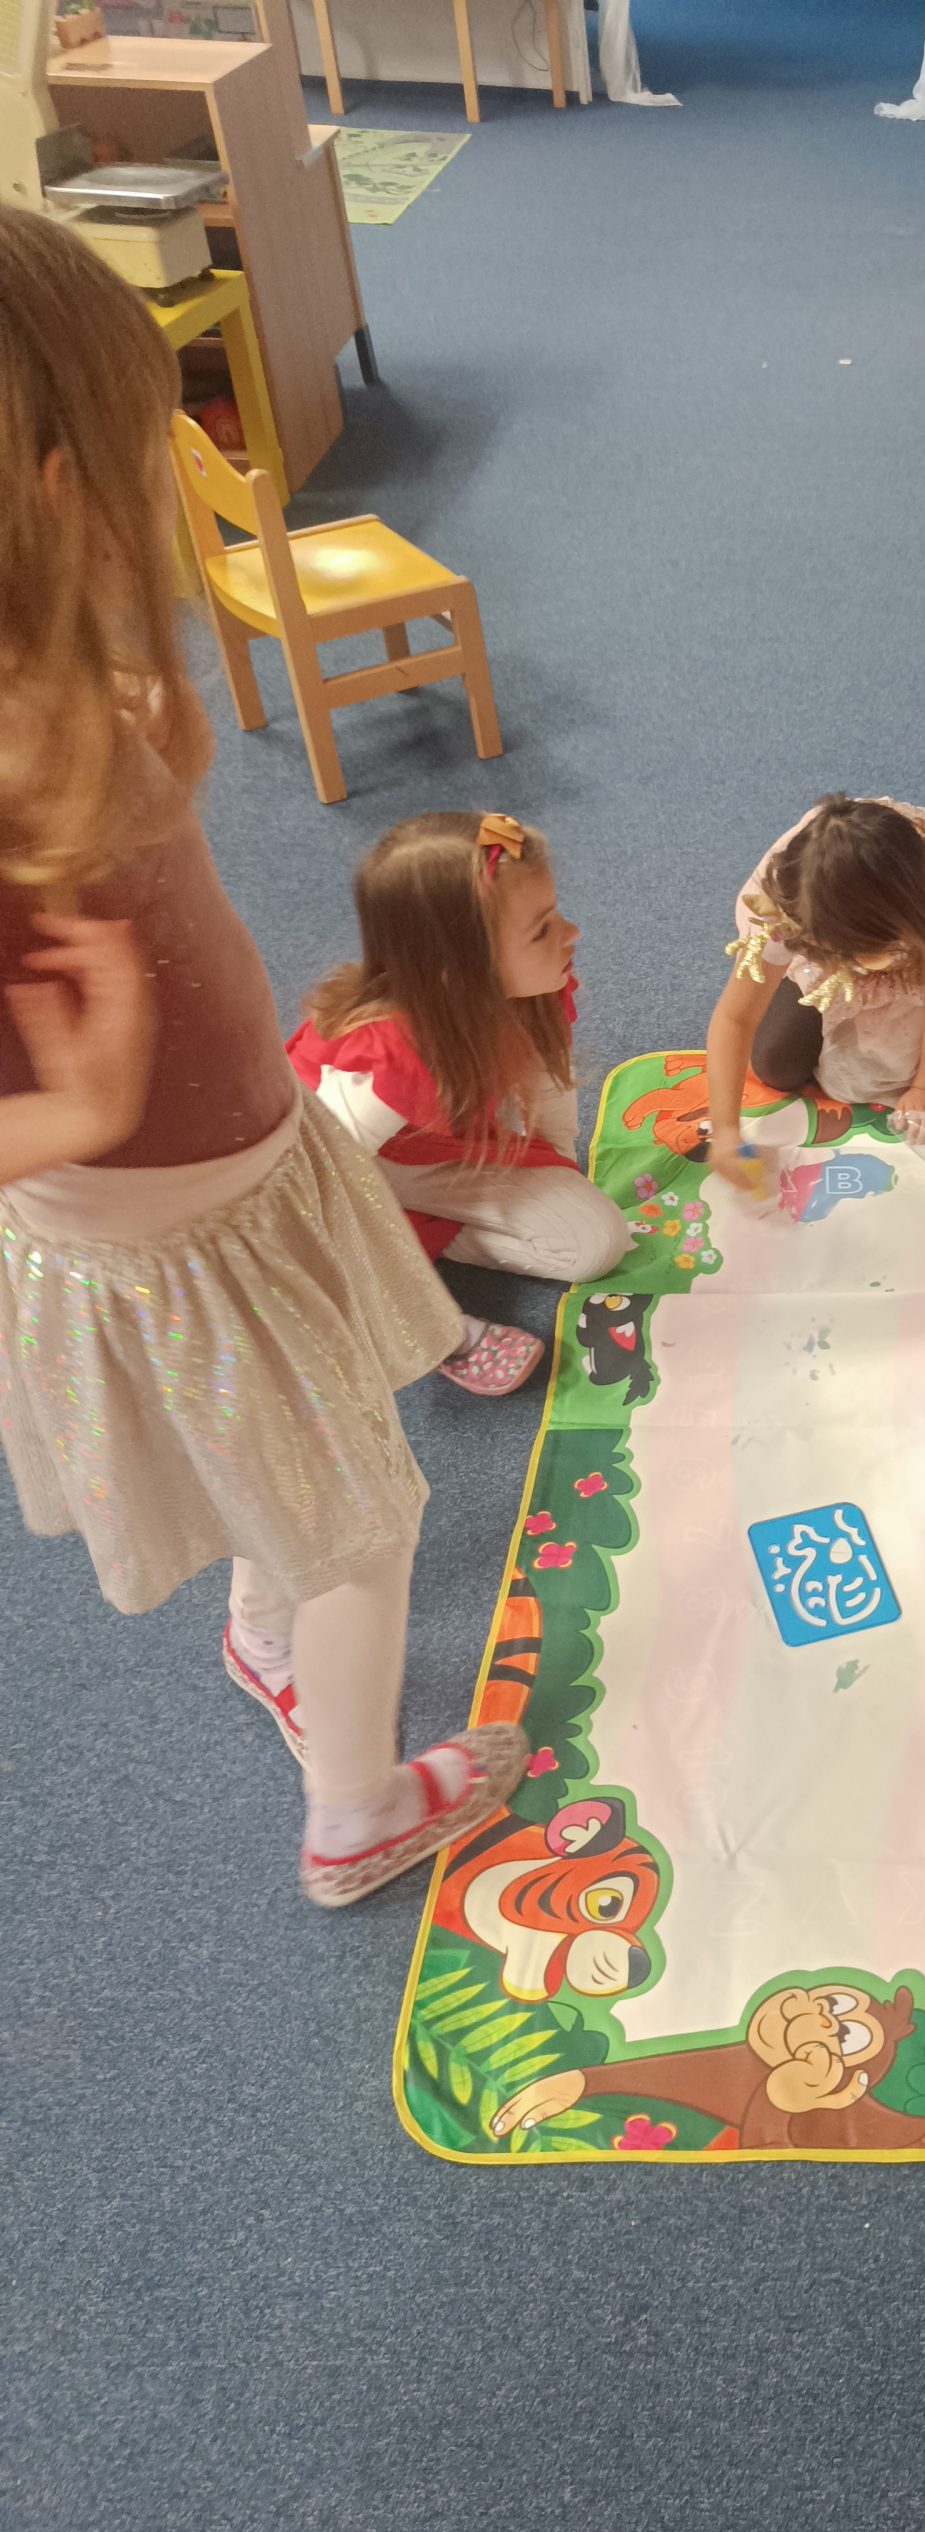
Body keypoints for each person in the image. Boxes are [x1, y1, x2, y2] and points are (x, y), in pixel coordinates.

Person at [0, 206, 524, 1907]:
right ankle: (354, 1810)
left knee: (292, 1469)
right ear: (58, 493)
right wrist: (72, 1107)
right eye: (142, 456)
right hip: (169, 1237)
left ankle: (268, 1632)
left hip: (245, 1169)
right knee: (369, 1520)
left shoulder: (51, 682)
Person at [290, 810, 628, 1395]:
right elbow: (318, 1188)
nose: (572, 932)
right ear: (458, 970)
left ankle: (419, 1228)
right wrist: (428, 1313)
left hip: (435, 1146)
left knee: (595, 1242)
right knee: (348, 1256)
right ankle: (422, 1285)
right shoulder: (384, 1061)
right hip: (348, 1172)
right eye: (541, 930)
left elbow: (551, 1079)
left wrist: (555, 1166)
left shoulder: (531, 987)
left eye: (556, 915)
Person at [702, 794, 925, 1186]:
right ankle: (831, 966)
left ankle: (868, 973)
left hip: (915, 969)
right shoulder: (787, 901)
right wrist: (725, 1128)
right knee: (775, 1065)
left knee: (886, 1073)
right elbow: (735, 1016)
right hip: (831, 942)